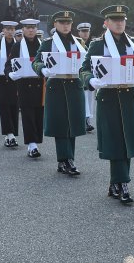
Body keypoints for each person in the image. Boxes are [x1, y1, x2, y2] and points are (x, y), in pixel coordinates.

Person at [80, 5, 134, 202]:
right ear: (106, 23)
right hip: (109, 97)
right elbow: (84, 69)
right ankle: (122, 182)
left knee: (127, 141)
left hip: (129, 97)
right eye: (115, 20)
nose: (119, 23)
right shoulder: (98, 45)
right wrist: (91, 80)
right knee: (115, 141)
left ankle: (117, 182)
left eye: (122, 20)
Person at [33, 11, 87, 174]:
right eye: (62, 22)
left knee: (73, 124)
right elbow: (36, 62)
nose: (65, 26)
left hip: (74, 85)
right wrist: (43, 69)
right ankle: (66, 159)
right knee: (60, 124)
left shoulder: (78, 42)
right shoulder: (48, 43)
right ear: (55, 24)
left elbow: (87, 62)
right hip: (56, 86)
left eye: (68, 23)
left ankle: (67, 159)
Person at [8, 19, 45, 157]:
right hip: (24, 85)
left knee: (39, 115)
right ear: (23, 30)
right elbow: (8, 64)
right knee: (28, 115)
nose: (31, 30)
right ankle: (32, 145)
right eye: (28, 28)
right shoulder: (17, 46)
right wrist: (10, 73)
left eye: (33, 27)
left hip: (40, 84)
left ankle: (36, 141)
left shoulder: (43, 45)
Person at [0, 21, 20, 147]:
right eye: (8, 29)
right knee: (4, 109)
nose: (10, 32)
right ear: (3, 30)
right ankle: (10, 134)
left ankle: (11, 134)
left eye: (12, 29)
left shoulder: (19, 45)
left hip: (15, 81)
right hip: (2, 81)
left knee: (14, 109)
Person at [76, 22, 95, 133]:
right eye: (83, 31)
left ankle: (88, 119)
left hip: (92, 75)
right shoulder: (76, 43)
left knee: (90, 98)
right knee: (84, 98)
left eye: (87, 31)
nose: (85, 33)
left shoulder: (93, 44)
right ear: (78, 32)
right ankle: (85, 121)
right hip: (80, 74)